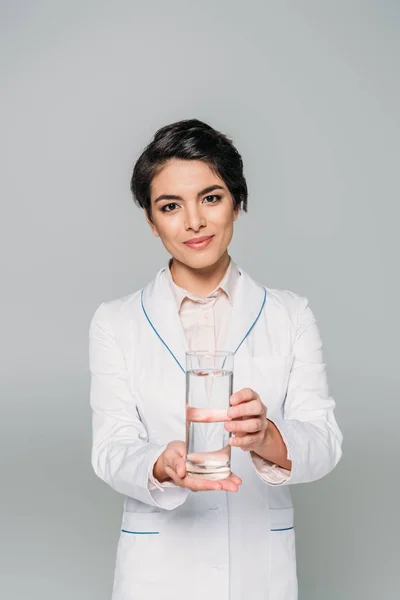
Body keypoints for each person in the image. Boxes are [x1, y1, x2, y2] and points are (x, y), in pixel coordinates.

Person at [88, 118, 343, 600]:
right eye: (170, 206)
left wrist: (269, 437)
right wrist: (159, 465)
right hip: (157, 572)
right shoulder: (115, 322)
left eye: (211, 197)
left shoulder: (290, 315)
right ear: (150, 219)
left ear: (237, 202)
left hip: (258, 569)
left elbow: (324, 442)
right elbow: (111, 447)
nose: (194, 222)